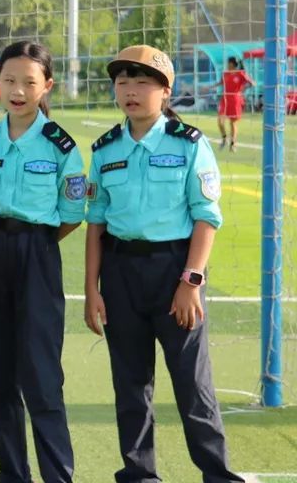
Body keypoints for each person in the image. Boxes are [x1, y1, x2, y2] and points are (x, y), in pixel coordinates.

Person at [84, 45, 244, 483]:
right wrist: (92, 289)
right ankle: (139, 474)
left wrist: (191, 280)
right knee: (131, 384)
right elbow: (95, 223)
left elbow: (206, 216)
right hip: (119, 273)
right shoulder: (105, 150)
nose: (131, 91)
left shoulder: (189, 144)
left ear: (165, 91)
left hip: (176, 270)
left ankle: (217, 474)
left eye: (142, 82)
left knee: (192, 383)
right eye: (123, 82)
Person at [0, 42, 83, 483]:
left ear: (47, 86)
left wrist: (34, 242)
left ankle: (58, 476)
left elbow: (72, 212)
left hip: (38, 251)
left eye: (29, 82)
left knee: (40, 377)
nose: (18, 91)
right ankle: (12, 475)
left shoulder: (59, 144)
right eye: (10, 80)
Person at [216, 55, 254, 151]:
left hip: (235, 100)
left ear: (232, 64)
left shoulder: (241, 74)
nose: (227, 65)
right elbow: (221, 83)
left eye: (228, 63)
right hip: (225, 99)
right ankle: (224, 138)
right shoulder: (225, 74)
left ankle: (233, 144)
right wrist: (209, 87)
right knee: (220, 121)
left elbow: (252, 83)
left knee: (233, 123)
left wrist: (242, 89)